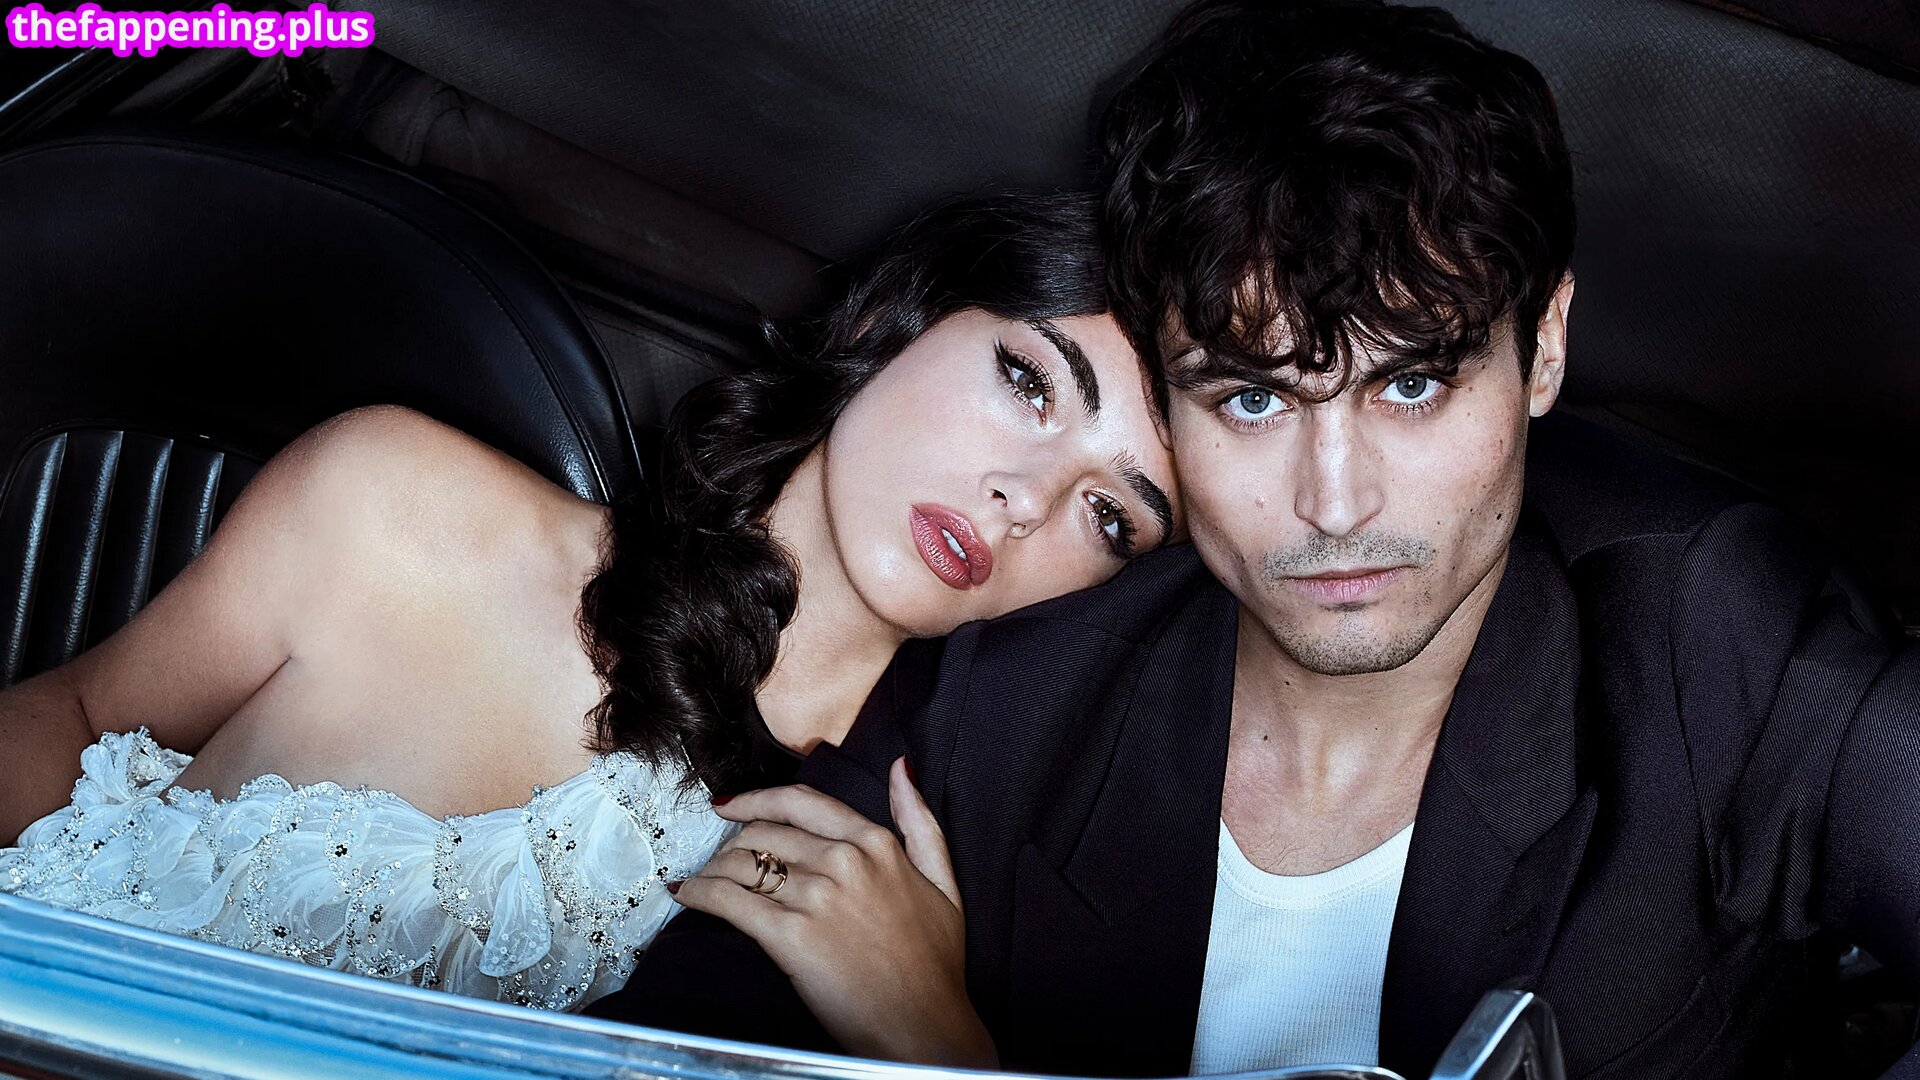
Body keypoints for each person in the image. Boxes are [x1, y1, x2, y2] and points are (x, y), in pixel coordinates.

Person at [588, 2, 1920, 1078]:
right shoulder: (1022, 673)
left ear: (1546, 348)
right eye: (1253, 399)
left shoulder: (1715, 633)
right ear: (1170, 403)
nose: (1334, 503)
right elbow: (673, 1032)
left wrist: (951, 1062)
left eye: (1412, 383)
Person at [0, 192, 1179, 1013]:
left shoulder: (950, 875)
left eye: (1110, 516)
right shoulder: (401, 505)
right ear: (892, 324)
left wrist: (927, 1041)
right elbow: (75, 716)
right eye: (1029, 382)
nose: (1026, 500)